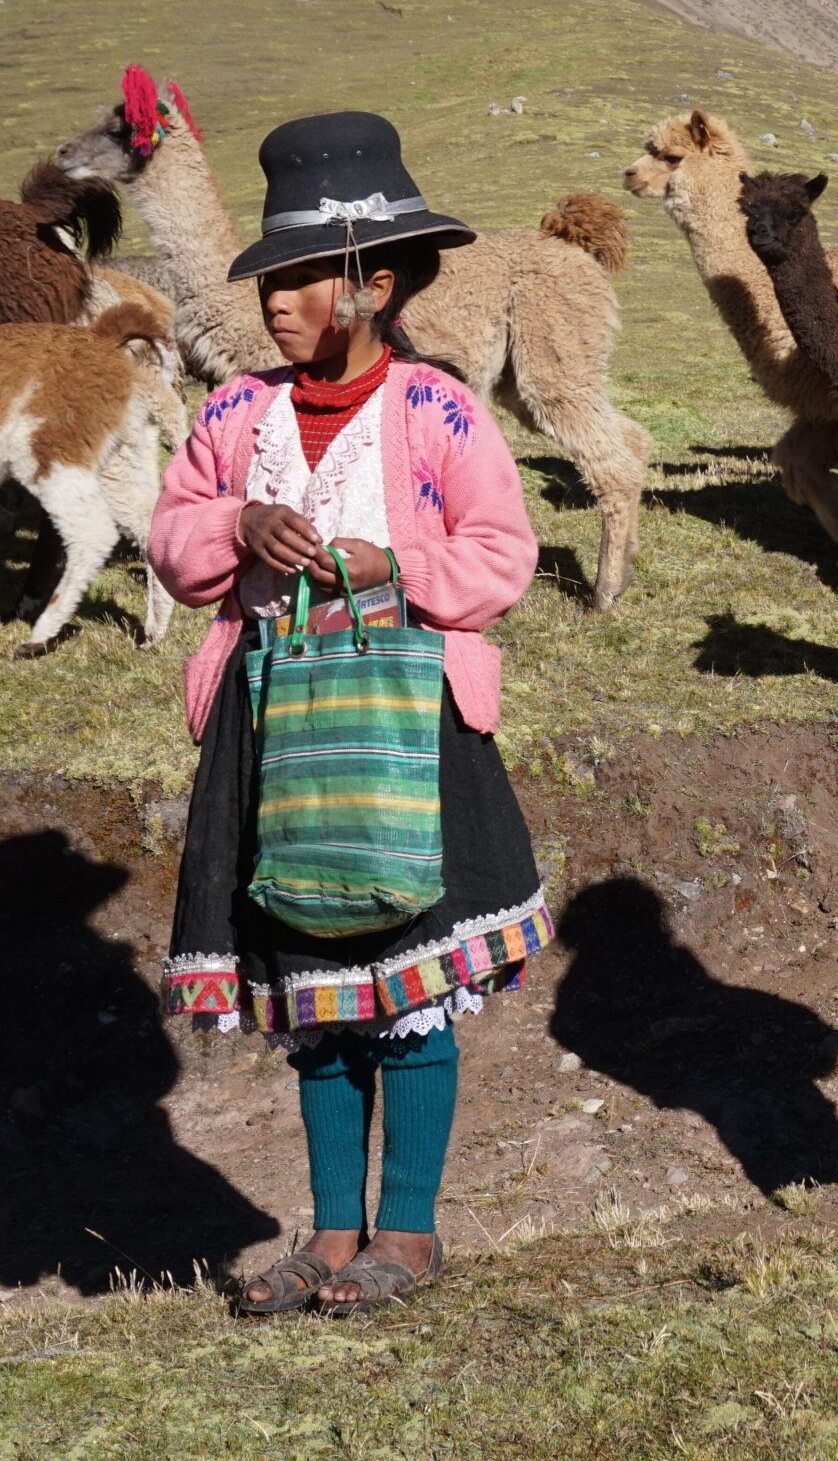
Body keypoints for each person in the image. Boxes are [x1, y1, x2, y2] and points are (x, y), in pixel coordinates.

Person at [149, 111, 546, 1314]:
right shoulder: (231, 419)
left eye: (303, 279)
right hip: (270, 734)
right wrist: (232, 530)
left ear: (373, 286)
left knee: (407, 986)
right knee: (313, 1001)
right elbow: (171, 541)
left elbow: (503, 556)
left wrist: (395, 563)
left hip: (408, 731)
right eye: (272, 279)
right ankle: (331, 1234)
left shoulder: (440, 414)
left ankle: (409, 1234)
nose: (276, 302)